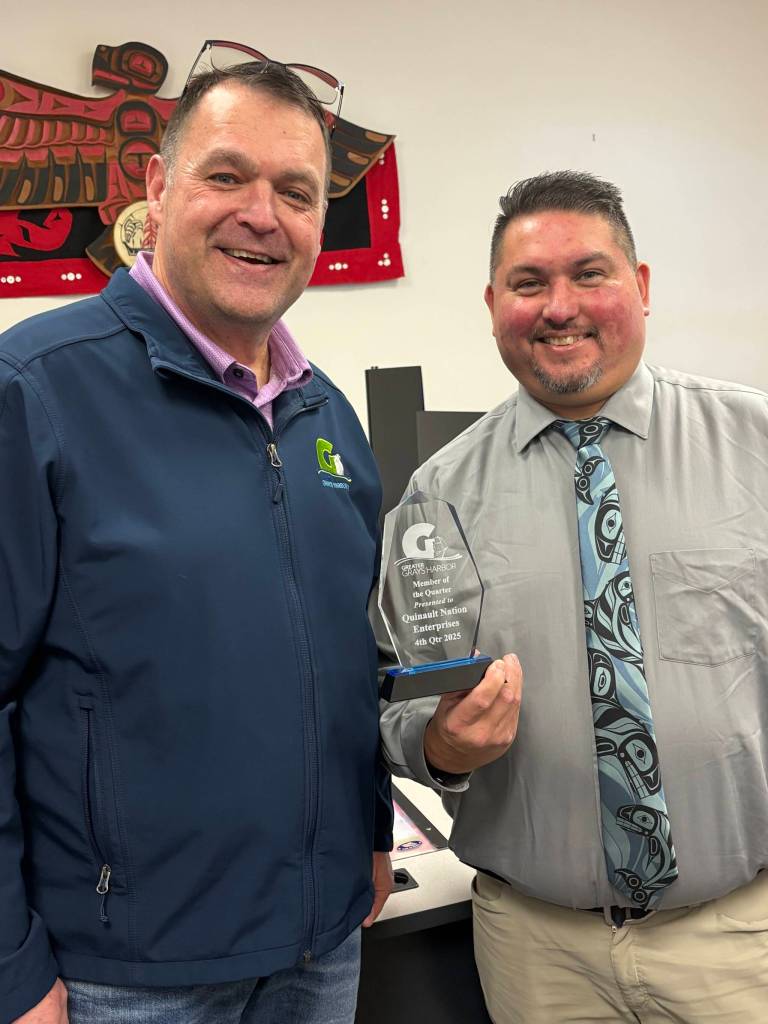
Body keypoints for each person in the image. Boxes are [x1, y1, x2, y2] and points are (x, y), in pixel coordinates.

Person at [0, 55, 394, 1024]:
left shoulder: (328, 418)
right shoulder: (34, 391)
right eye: (227, 176)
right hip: (122, 979)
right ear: (156, 188)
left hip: (321, 946)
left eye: (295, 191)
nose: (262, 213)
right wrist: (11, 971)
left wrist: (369, 833)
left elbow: (344, 658)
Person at [379, 171, 768, 1023]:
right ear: (492, 304)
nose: (560, 306)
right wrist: (442, 747)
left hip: (739, 940)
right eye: (529, 283)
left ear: (642, 285)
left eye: (590, 273)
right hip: (535, 951)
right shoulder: (434, 498)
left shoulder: (756, 447)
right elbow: (399, 705)